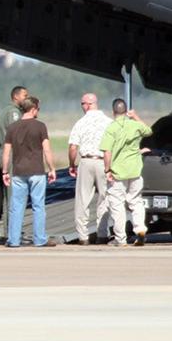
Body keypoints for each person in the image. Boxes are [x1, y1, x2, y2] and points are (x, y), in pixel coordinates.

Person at [1, 97, 57, 247]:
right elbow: (47, 150)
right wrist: (52, 168)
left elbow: (6, 152)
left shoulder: (12, 128)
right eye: (38, 109)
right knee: (38, 206)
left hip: (18, 172)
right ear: (33, 109)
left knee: (16, 207)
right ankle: (40, 239)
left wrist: (5, 172)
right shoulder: (40, 126)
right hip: (37, 171)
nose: (38, 111)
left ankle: (13, 240)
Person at [100, 98, 153, 247]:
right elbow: (148, 131)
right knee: (136, 201)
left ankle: (120, 239)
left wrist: (107, 169)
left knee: (117, 204)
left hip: (118, 172)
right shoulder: (135, 125)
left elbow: (107, 152)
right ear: (126, 111)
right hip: (135, 170)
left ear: (113, 112)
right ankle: (140, 229)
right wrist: (135, 117)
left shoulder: (111, 128)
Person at [68, 93, 113, 245]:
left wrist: (71, 164)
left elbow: (73, 147)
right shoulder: (108, 122)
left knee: (83, 199)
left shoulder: (81, 122)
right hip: (103, 161)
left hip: (86, 161)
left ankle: (83, 236)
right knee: (104, 198)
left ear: (87, 105)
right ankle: (102, 234)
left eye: (82, 104)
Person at [0, 85, 28, 243]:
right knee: (14, 196)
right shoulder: (13, 113)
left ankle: (10, 231)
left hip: (7, 157)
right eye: (24, 95)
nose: (26, 98)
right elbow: (17, 136)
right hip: (12, 158)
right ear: (16, 96)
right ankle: (13, 234)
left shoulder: (8, 111)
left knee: (9, 197)